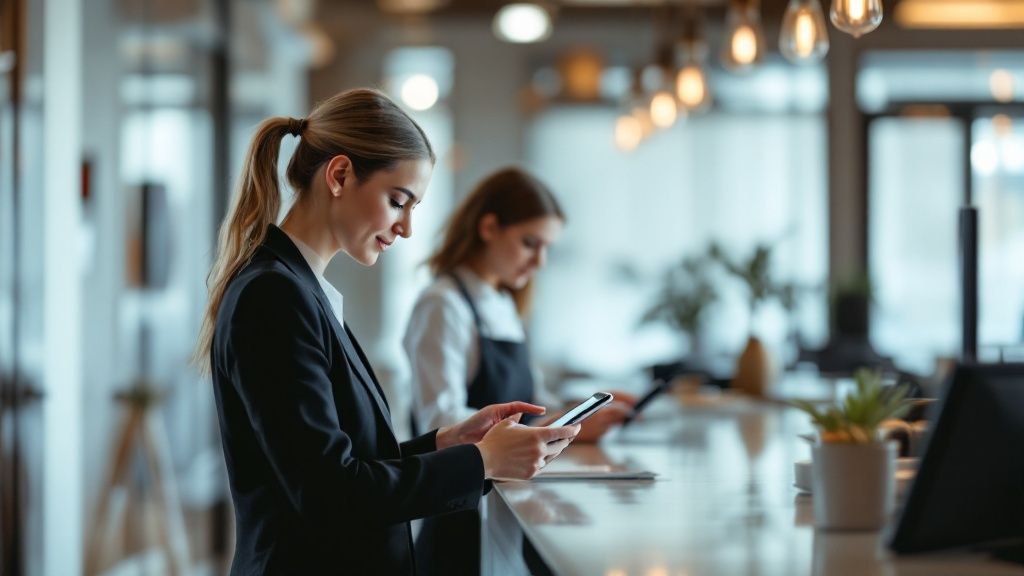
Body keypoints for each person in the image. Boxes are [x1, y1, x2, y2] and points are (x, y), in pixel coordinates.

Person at [194, 89, 581, 575]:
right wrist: (479, 462)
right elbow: (329, 492)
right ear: (339, 175)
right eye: (399, 201)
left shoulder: (301, 290)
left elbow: (344, 461)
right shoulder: (274, 297)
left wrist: (448, 443)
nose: (407, 229)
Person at [403, 167, 634, 575]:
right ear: (488, 227)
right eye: (530, 243)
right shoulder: (443, 305)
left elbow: (531, 402)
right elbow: (438, 421)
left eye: (546, 248)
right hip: (463, 513)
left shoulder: (503, 303)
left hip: (510, 500)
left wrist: (573, 421)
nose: (539, 262)